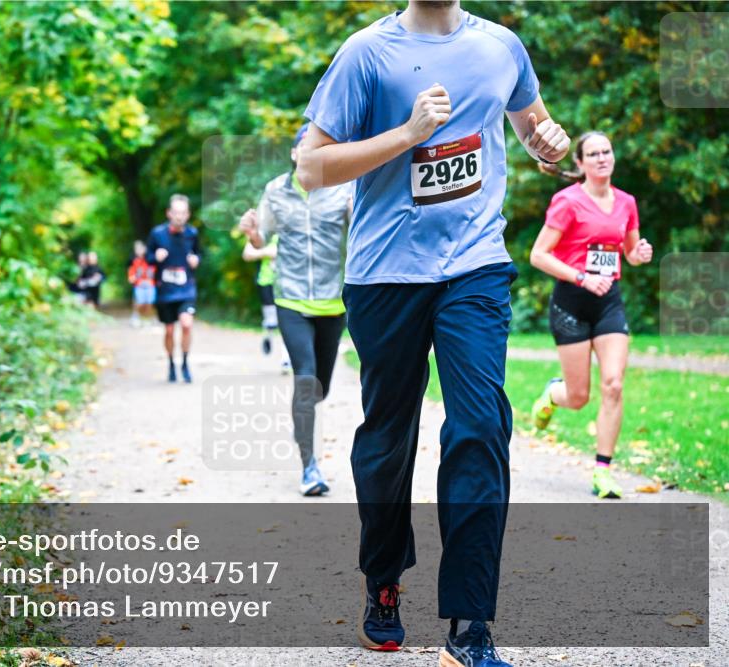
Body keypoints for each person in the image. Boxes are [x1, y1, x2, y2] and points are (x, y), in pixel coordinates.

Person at [296, 1, 570, 663]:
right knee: (389, 437)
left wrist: (546, 143)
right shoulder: (366, 53)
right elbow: (311, 166)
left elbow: (532, 126)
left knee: (479, 426)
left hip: (475, 268)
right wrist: (408, 132)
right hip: (385, 274)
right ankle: (383, 580)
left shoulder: (502, 46)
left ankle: (470, 625)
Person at [529, 131, 653, 500]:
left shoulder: (627, 203)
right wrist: (582, 276)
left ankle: (603, 471)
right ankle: (553, 394)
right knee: (579, 396)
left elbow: (629, 252)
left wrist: (639, 254)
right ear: (580, 164)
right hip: (571, 302)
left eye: (607, 151)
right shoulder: (567, 202)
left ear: (613, 158)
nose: (602, 158)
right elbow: (539, 255)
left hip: (608, 301)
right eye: (593, 154)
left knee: (613, 384)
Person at [238, 123, 352, 497]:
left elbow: (360, 238)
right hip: (290, 298)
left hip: (332, 301)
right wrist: (251, 230)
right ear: (293, 154)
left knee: (321, 388)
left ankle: (301, 418)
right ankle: (310, 467)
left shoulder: (342, 188)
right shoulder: (275, 190)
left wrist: (356, 213)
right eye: (305, 146)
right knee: (305, 379)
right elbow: (261, 238)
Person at [146, 194, 201, 383]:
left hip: (186, 288)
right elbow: (147, 257)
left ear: (188, 214)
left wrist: (196, 260)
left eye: (183, 212)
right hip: (165, 290)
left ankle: (185, 363)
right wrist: (156, 257)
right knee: (169, 330)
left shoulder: (192, 234)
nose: (179, 216)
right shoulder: (157, 234)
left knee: (187, 324)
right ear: (169, 213)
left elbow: (199, 254)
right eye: (176, 212)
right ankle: (171, 363)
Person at [241, 234, 291, 372]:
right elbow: (247, 254)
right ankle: (268, 332)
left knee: (287, 321)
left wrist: (272, 252)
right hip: (266, 282)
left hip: (287, 283)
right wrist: (269, 252)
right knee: (272, 320)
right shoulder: (263, 232)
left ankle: (286, 358)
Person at [127, 240, 156, 327]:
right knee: (139, 303)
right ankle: (136, 317)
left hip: (150, 285)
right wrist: (132, 278)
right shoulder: (134, 261)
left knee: (149, 303)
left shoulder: (151, 260)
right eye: (137, 249)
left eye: (141, 248)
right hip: (139, 285)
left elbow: (155, 271)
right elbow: (131, 273)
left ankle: (147, 319)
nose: (139, 251)